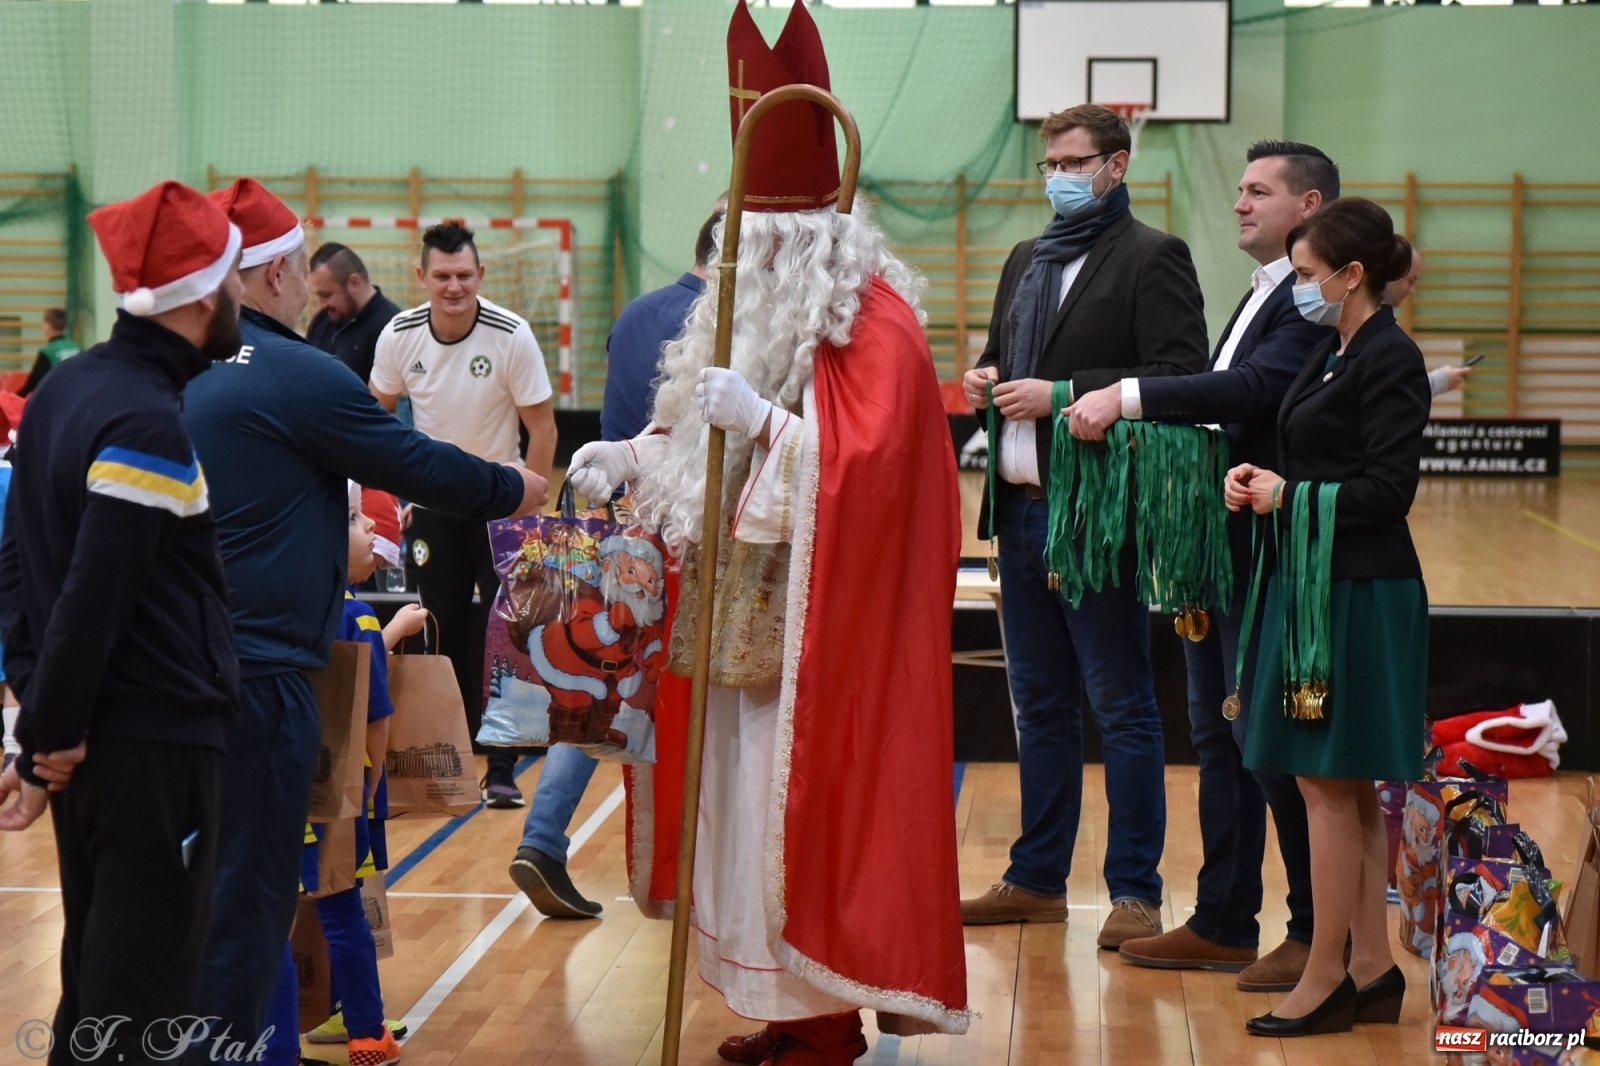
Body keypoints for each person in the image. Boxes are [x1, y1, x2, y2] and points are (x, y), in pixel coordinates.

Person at [568, 3, 969, 1060]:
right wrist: (627, 458)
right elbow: (694, 442)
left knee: (800, 815)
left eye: (755, 239)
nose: (735, 261)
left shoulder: (871, 320)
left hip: (817, 636)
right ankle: (795, 1011)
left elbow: (875, 470)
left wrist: (772, 425)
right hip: (732, 629)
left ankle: (823, 1017)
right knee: (743, 823)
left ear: (804, 243)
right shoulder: (739, 311)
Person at [181, 178, 547, 1060]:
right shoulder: (297, 372)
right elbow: (409, 457)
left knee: (189, 894)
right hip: (265, 675)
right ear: (269, 276)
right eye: (301, 268)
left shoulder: (152, 372)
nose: (309, 284)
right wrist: (516, 487)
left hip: (162, 679)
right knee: (260, 900)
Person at [1066, 140, 1337, 992]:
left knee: (1271, 744)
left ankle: (1314, 929)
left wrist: (1131, 397)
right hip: (1219, 548)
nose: (1240, 204)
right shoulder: (1263, 294)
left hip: (1273, 556)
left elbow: (1253, 393)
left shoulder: (1311, 307)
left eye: (1260, 191)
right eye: (1242, 190)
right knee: (1222, 736)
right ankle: (1224, 920)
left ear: (1311, 207)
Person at [0, 181, 244, 1064]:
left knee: (98, 993)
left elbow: (16, 568)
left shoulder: (65, 388)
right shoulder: (145, 420)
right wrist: (45, 737)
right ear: (207, 297)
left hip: (97, 744)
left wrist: (41, 717)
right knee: (141, 1008)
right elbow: (92, 598)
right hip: (151, 750)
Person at [959, 103, 1208, 948]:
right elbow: (1010, 358)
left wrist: (1062, 395)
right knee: (1038, 705)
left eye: (1074, 161)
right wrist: (987, 376)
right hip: (1020, 514)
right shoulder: (1027, 258)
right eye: (1049, 163)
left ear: (1117, 165)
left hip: (1097, 519)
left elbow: (1178, 378)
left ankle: (1135, 891)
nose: (1059, 177)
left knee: (1124, 706)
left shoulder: (1153, 257)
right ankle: (1035, 878)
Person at [1225, 197, 1429, 1037]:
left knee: (1323, 783)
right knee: (1342, 783)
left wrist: (1290, 495)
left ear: (1353, 276)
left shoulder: (1391, 357)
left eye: (1309, 277)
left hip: (1358, 592)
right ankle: (1375, 968)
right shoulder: (1333, 349)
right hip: (1313, 582)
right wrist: (1258, 481)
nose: (1299, 290)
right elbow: (1305, 454)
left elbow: (1389, 493)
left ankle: (1325, 977)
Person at [510, 206, 721, 920]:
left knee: (604, 679)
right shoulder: (721, 324)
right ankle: (703, 861)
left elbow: (613, 424)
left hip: (614, 511)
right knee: (652, 689)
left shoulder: (635, 313)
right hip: (680, 530)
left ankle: (542, 834)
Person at [369, 222, 558, 809]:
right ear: (420, 277)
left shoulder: (511, 334)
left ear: (481, 277)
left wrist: (532, 501)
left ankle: (500, 767)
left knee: (503, 632)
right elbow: (375, 421)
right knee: (439, 629)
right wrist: (393, 501)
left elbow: (543, 427)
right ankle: (438, 760)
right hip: (431, 507)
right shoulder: (399, 334)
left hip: (500, 504)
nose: (454, 286)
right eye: (443, 276)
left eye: (464, 276)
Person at [258, 486, 424, 1066]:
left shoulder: (267, 605)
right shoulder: (356, 615)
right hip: (337, 798)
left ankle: (273, 1048)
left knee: (267, 922)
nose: (367, 534)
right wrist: (368, 788)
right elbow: (375, 719)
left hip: (268, 788)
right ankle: (367, 1034)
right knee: (344, 913)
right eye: (354, 520)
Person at [1382, 246, 1471, 398]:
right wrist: (1441, 380)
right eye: (1410, 281)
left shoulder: (1383, 324)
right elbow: (1395, 393)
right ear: (1392, 273)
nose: (1412, 290)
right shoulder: (1376, 330)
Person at [306, 243, 401, 384]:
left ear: (354, 283)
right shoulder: (322, 321)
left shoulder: (392, 329)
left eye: (326, 295)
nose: (322, 305)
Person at [19, 307, 80, 398]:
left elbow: (32, 384)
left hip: (60, 398)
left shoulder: (47, 352)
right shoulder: (77, 347)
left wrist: (12, 397)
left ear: (48, 325)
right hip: (78, 397)